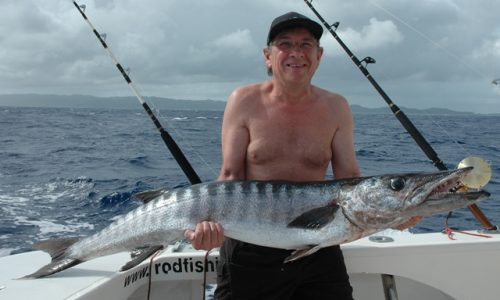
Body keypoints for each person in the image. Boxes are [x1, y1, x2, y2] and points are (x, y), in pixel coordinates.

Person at [185, 11, 420, 299]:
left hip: (320, 245)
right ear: (267, 56)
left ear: (318, 55)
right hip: (250, 247)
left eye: (305, 45)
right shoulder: (243, 101)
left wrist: (394, 213)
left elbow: (350, 180)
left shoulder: (337, 107)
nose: (296, 53)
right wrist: (202, 228)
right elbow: (231, 176)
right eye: (285, 44)